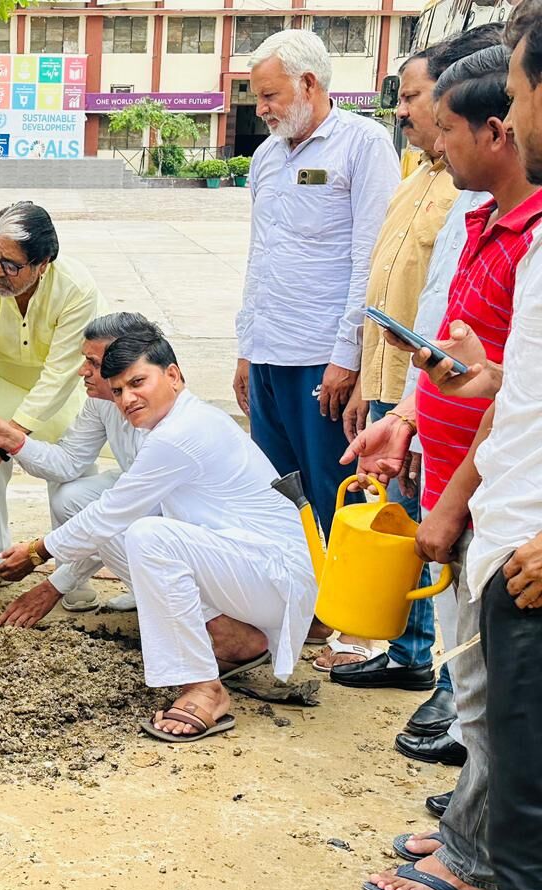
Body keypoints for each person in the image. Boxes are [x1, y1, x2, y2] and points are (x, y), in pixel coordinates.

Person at [348, 43, 539, 890]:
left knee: (498, 693)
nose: (432, 143)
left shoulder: (530, 237)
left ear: (502, 129)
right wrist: (412, 416)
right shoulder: (482, 223)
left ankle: (475, 854)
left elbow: (517, 401)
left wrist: (456, 497)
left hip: (499, 496)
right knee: (476, 685)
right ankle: (478, 827)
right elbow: (482, 370)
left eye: (446, 128)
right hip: (473, 482)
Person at [0, 319, 315, 743]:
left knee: (146, 535)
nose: (127, 399)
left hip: (274, 579)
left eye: (138, 382)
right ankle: (230, 638)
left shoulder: (181, 432)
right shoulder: (168, 424)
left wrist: (37, 551)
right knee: (124, 525)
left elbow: (113, 513)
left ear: (173, 375)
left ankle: (204, 688)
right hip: (248, 574)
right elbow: (101, 508)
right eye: (119, 390)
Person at [319, 36, 467, 677]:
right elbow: (382, 283)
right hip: (392, 380)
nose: (401, 111)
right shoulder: (419, 181)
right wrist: (364, 381)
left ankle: (427, 661)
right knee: (394, 511)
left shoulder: (468, 193)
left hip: (439, 385)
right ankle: (403, 650)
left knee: (428, 518)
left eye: (411, 96)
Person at [233, 29, 400, 541]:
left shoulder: (363, 145)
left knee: (333, 493)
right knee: (279, 497)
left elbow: (370, 261)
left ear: (308, 84)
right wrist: (246, 351)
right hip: (267, 356)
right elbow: (260, 258)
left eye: (269, 95)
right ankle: (296, 610)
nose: (260, 109)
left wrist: (347, 357)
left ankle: (338, 611)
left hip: (320, 359)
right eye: (257, 96)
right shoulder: (267, 157)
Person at [0, 202, 105, 600]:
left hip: (55, 388)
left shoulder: (76, 289)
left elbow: (60, 373)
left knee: (73, 468)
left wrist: (4, 444)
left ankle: (73, 572)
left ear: (43, 262)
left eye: (11, 265)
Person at [0, 312, 146, 625]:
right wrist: (11, 441)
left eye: (93, 363)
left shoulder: (161, 420)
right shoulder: (101, 402)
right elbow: (68, 463)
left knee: (125, 522)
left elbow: (116, 514)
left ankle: (161, 594)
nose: (83, 371)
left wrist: (47, 567)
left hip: (188, 532)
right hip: (144, 508)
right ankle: (143, 586)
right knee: (71, 497)